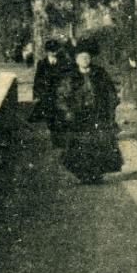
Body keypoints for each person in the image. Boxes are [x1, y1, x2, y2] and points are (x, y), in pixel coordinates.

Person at [54, 47, 122, 184]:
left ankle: (97, 174)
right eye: (81, 57)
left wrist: (111, 107)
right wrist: (68, 111)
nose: (85, 60)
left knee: (100, 144)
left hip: (98, 114)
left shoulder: (99, 73)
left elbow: (110, 92)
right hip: (79, 117)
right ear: (76, 60)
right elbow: (61, 97)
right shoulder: (70, 77)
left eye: (87, 57)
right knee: (81, 145)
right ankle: (84, 175)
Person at [30, 39, 70, 134]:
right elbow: (37, 80)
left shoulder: (63, 62)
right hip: (46, 93)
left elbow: (67, 78)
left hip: (59, 93)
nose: (54, 52)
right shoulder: (42, 63)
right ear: (47, 51)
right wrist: (35, 95)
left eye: (55, 50)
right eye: (51, 50)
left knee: (60, 115)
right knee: (46, 115)